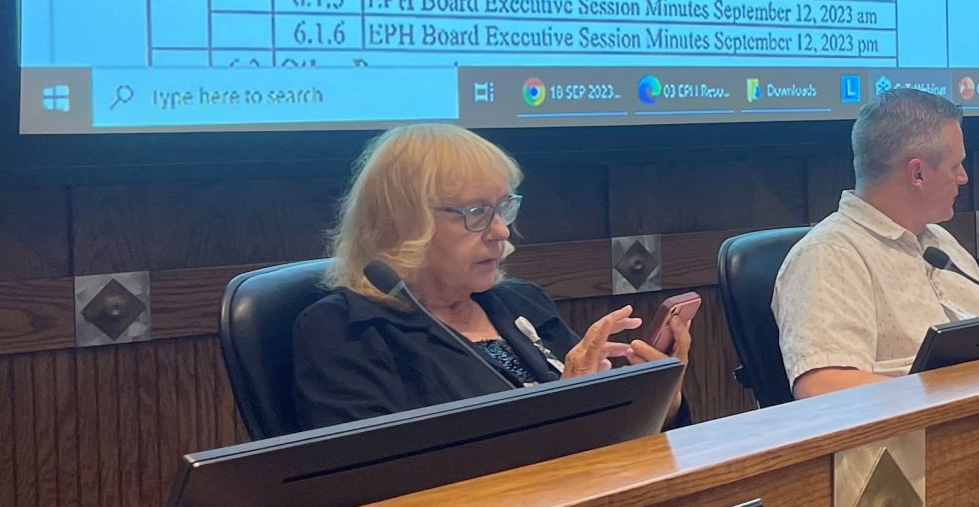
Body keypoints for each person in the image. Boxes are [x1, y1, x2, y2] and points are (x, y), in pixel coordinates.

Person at [292, 124, 689, 430]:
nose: (501, 231)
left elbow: (606, 443)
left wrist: (656, 404)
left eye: (503, 208)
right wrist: (569, 407)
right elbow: (377, 489)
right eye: (476, 212)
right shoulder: (346, 332)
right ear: (405, 223)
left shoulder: (522, 302)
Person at [773, 86, 979, 395]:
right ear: (917, 173)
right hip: (909, 436)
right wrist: (947, 394)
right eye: (954, 165)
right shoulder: (829, 256)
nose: (963, 177)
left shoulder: (942, 244)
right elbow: (820, 387)